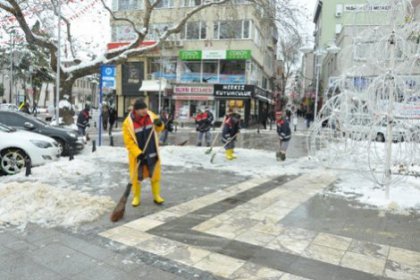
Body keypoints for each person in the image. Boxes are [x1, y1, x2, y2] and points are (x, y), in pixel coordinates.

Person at [122, 99, 165, 207]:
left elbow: (159, 128)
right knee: (137, 177)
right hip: (138, 155)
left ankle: (156, 196)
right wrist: (138, 153)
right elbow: (128, 142)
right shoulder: (127, 123)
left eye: (145, 108)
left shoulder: (151, 116)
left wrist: (159, 124)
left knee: (155, 174)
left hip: (152, 151)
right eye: (142, 109)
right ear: (135, 110)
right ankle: (136, 197)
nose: (145, 110)